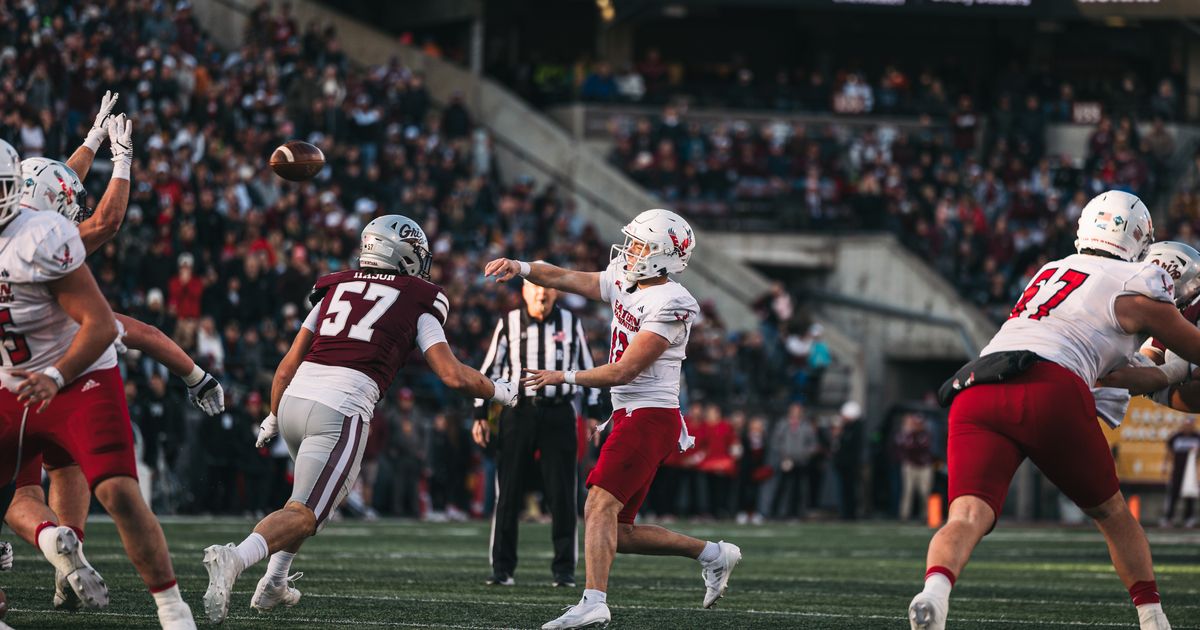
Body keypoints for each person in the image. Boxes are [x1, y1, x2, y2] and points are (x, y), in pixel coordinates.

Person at [200, 215, 520, 623]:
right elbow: (451, 374)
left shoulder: (334, 288)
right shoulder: (418, 299)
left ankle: (274, 584)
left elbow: (286, 365)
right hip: (340, 407)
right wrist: (498, 390)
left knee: (301, 504)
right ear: (402, 254)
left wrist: (274, 415)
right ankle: (236, 558)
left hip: (296, 398)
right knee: (307, 513)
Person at [909, 190, 1200, 630]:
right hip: (1048, 386)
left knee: (967, 514)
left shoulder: (1051, 270)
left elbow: (1110, 374)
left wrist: (1166, 372)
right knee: (1114, 514)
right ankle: (1153, 618)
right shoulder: (1138, 284)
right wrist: (1178, 365)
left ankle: (935, 592)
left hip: (976, 386)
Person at [485, 208, 741, 629]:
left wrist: (562, 376)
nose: (630, 250)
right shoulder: (627, 276)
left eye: (640, 244)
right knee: (617, 531)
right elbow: (567, 278)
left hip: (650, 414)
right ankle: (713, 554)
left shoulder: (673, 301)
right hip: (628, 414)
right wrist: (522, 267)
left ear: (662, 254)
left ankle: (593, 601)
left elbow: (625, 370)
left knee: (597, 503)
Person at [0, 138, 196, 628]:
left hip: (75, 377)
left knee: (120, 493)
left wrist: (56, 374)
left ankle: (174, 613)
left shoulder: (41, 235)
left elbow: (105, 325)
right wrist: (94, 144)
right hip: (10, 382)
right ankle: (51, 551)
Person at [472, 274, 604, 588]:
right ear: (524, 292)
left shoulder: (571, 323)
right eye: (535, 289)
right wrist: (479, 413)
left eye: (546, 289)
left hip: (559, 412)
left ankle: (564, 571)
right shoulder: (510, 322)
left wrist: (594, 414)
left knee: (563, 493)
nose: (541, 295)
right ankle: (502, 569)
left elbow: (587, 369)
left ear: (556, 292)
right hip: (518, 411)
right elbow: (488, 371)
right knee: (509, 490)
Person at [896, 413, 934, 522]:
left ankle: (926, 515)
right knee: (907, 491)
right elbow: (903, 446)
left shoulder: (926, 434)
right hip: (910, 465)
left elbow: (918, 447)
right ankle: (904, 515)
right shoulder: (908, 434)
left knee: (925, 491)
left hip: (924, 466)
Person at [1162, 418, 1199, 528]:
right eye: (1186, 425)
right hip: (1177, 471)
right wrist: (1165, 465)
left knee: (1190, 495)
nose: (1187, 427)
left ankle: (1189, 518)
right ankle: (1169, 518)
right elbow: (1169, 450)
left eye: (1189, 425)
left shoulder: (1197, 437)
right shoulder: (1176, 437)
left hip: (1191, 473)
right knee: (1173, 494)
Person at [831, 401, 865, 521]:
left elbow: (848, 444)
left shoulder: (855, 428)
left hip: (850, 464)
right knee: (845, 490)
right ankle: (845, 512)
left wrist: (839, 434)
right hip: (844, 464)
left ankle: (849, 513)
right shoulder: (849, 427)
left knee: (849, 490)